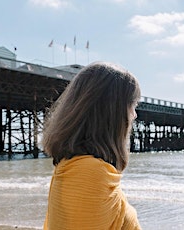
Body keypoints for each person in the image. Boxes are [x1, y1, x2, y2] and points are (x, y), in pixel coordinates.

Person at [41, 61, 142, 230]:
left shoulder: (78, 167)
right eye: (133, 105)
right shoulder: (89, 173)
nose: (134, 115)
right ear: (112, 111)